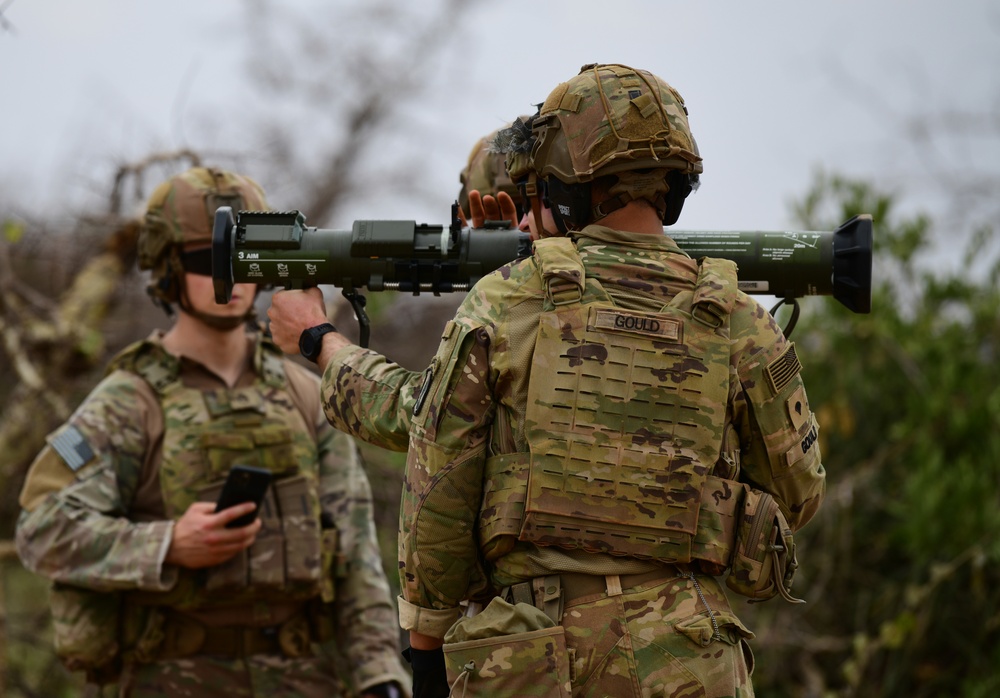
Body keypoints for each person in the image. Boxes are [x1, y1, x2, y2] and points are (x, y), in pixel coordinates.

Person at [266, 63, 826, 697]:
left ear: (564, 185)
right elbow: (798, 493)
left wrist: (425, 650)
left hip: (535, 656)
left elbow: (440, 488)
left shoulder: (508, 302)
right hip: (692, 661)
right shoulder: (740, 321)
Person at [15, 166, 410, 698]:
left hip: (305, 678)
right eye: (210, 259)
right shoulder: (129, 402)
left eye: (246, 256)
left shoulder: (306, 393)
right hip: (172, 678)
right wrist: (166, 544)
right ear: (169, 269)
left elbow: (356, 550)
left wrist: (379, 678)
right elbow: (41, 528)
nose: (233, 274)